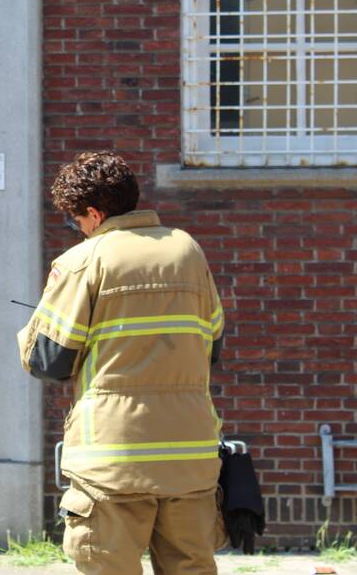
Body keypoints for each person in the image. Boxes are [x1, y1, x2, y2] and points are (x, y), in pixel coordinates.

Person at [17, 151, 226, 575]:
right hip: (190, 453)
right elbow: (213, 344)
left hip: (112, 459)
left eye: (76, 220)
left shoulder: (83, 260)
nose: (78, 230)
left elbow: (50, 360)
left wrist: (33, 326)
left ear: (93, 213)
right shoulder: (187, 250)